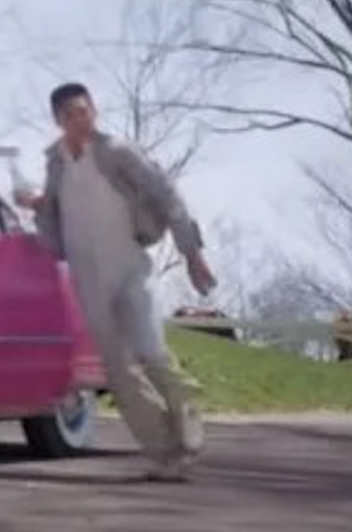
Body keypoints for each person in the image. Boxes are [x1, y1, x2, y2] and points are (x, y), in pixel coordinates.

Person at [15, 82, 217, 482]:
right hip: (88, 277)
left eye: (85, 110)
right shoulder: (55, 163)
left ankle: (188, 427)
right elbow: (53, 215)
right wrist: (37, 206)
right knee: (118, 370)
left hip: (129, 268)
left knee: (150, 352)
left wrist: (192, 253)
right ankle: (163, 452)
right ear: (58, 120)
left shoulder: (117, 152)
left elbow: (167, 195)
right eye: (71, 114)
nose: (81, 119)